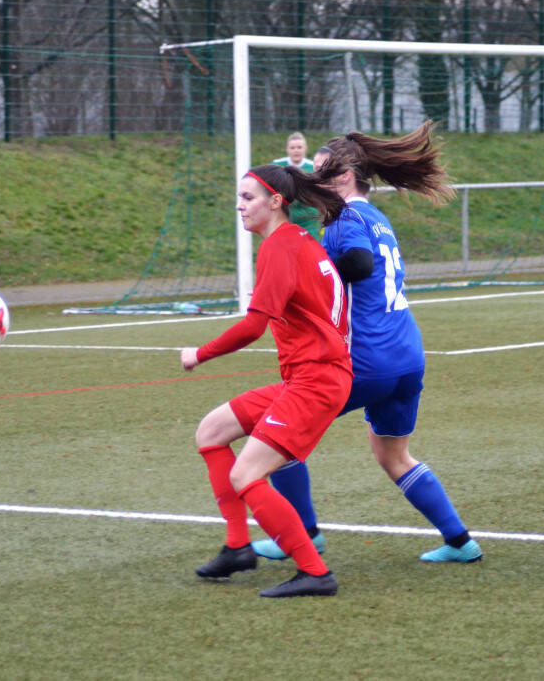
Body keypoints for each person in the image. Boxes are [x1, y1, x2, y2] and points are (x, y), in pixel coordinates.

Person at [252, 122, 483, 564]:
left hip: (366, 359)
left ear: (344, 177)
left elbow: (356, 262)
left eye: (320, 173)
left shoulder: (345, 216)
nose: (313, 182)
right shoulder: (376, 217)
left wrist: (311, 272)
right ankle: (460, 541)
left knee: (277, 432)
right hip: (407, 356)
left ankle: (304, 535)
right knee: (393, 455)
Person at [180, 164, 353, 598]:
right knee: (212, 431)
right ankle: (239, 547)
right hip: (310, 376)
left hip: (317, 379)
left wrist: (199, 354)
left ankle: (315, 573)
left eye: (248, 197)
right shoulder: (299, 241)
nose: (239, 205)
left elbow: (254, 325)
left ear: (276, 202)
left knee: (246, 475)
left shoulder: (280, 246)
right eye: (238, 197)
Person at [272, 132, 321, 240]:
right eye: (292, 147)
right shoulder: (277, 165)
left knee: (310, 251)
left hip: (308, 218)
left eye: (299, 147)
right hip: (284, 216)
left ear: (305, 149)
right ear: (287, 149)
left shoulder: (313, 167)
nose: (296, 150)